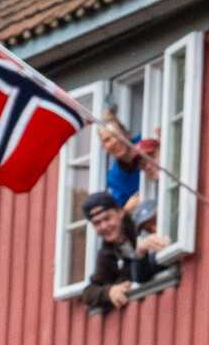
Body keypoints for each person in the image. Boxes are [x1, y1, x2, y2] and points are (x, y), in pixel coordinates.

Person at [73, 116, 180, 314]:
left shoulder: (141, 226)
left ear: (120, 214)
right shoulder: (110, 250)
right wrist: (108, 292)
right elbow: (89, 291)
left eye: (107, 219)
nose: (104, 226)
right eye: (97, 223)